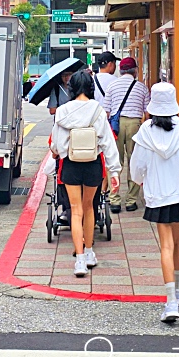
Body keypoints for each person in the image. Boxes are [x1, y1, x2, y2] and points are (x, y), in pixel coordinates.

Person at [129, 82, 179, 324]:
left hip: (158, 194)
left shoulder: (145, 132)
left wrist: (141, 181)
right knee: (178, 240)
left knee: (165, 246)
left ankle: (171, 301)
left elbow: (136, 169)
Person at [50, 70, 121, 278]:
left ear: (71, 88)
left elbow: (57, 144)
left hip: (71, 164)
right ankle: (90, 253)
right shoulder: (97, 110)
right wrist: (114, 171)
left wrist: (59, 152)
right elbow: (107, 142)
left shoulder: (63, 111)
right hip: (92, 165)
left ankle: (79, 261)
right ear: (90, 87)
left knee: (75, 210)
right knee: (90, 207)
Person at [105, 56, 150, 213]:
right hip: (135, 125)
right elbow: (147, 113)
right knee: (134, 161)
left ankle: (114, 200)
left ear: (121, 70)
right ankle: (131, 201)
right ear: (135, 70)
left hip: (116, 125)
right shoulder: (142, 87)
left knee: (115, 162)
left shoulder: (112, 86)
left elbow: (106, 111)